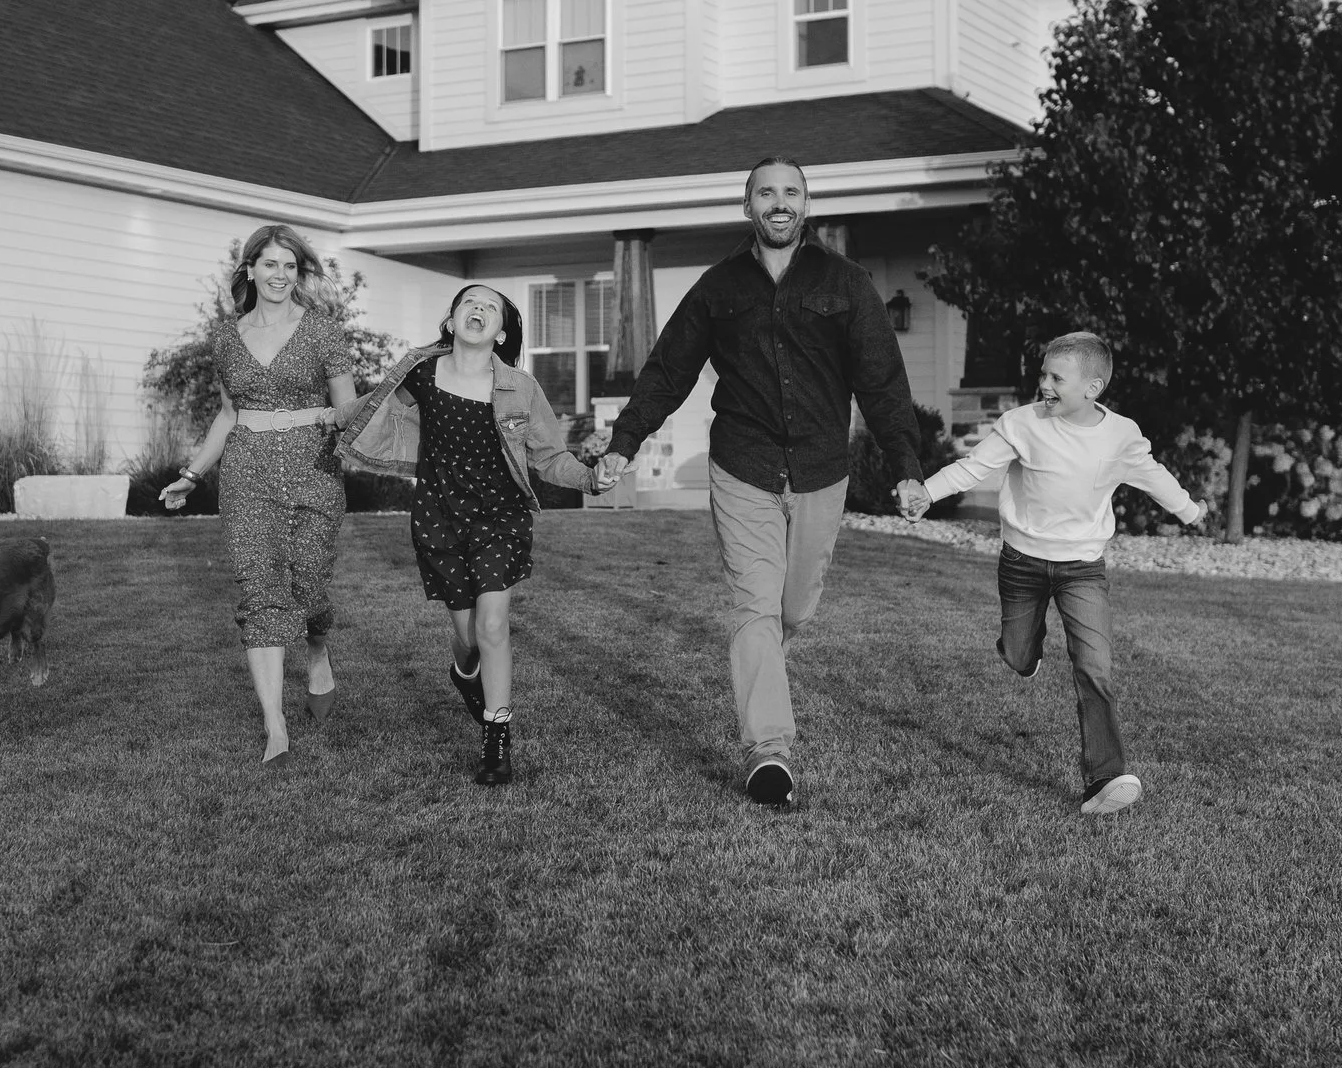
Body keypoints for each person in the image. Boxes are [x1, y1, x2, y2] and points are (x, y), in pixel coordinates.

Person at [586, 158, 921, 810]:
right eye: (766, 192)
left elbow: (882, 381)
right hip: (743, 464)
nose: (779, 202)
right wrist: (624, 442)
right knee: (754, 605)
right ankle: (769, 748)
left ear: (806, 203)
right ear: (749, 205)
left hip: (821, 468)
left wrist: (907, 466)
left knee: (793, 609)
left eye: (790, 192)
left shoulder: (845, 283)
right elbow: (667, 371)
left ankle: (763, 669)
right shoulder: (718, 286)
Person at [897, 330, 1204, 815]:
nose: (1044, 384)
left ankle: (1106, 777)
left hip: (1082, 568)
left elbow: (1155, 476)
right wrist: (927, 493)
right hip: (1021, 563)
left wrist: (1190, 511)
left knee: (1095, 665)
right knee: (1018, 654)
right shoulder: (1023, 425)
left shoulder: (1120, 435)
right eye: (1043, 373)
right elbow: (973, 468)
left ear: (1092, 387)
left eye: (1056, 377)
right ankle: (1024, 650)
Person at [341, 284, 607, 786]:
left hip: (498, 516)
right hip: (438, 516)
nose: (479, 309)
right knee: (467, 640)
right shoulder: (420, 373)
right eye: (470, 302)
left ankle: (497, 734)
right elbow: (368, 410)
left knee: (492, 628)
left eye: (492, 307)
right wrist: (307, 420)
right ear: (450, 321)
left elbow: (548, 456)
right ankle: (464, 673)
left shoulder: (521, 388)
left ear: (501, 332)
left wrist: (590, 478)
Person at [162, 225, 359, 762]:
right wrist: (193, 473)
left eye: (290, 266)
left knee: (309, 587)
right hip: (247, 468)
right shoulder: (226, 338)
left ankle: (317, 648)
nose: (280, 275)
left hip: (312, 464)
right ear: (250, 269)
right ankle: (276, 726)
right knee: (260, 587)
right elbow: (229, 414)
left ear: (300, 273)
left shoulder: (322, 332)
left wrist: (327, 417)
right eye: (269, 264)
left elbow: (350, 408)